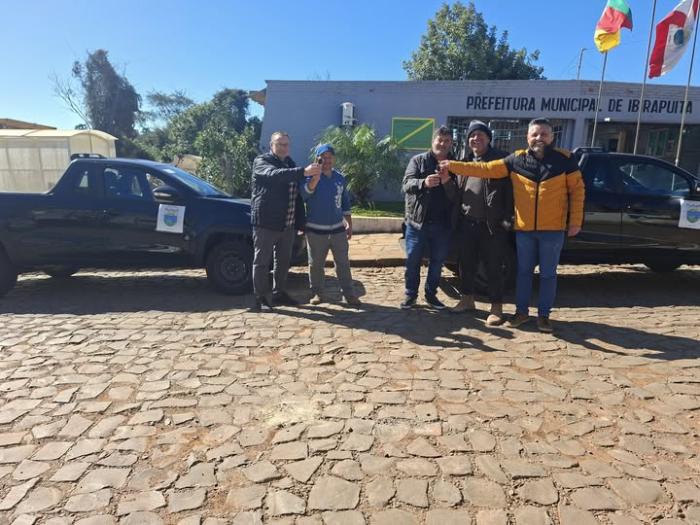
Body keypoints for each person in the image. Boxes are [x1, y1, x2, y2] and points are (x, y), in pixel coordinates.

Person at [440, 118, 585, 333]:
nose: (539, 138)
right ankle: (521, 313)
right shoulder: (516, 159)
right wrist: (452, 165)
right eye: (535, 134)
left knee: (548, 275)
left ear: (552, 137)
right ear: (527, 137)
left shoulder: (565, 160)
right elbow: (486, 169)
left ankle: (544, 316)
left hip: (552, 230)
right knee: (523, 273)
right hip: (524, 230)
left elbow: (577, 191)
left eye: (544, 134)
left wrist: (575, 222)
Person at [444, 121, 511, 326]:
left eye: (481, 135)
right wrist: (446, 181)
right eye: (472, 135)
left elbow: (511, 194)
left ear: (489, 138)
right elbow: (457, 194)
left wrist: (507, 221)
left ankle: (496, 308)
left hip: (492, 226)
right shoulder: (464, 163)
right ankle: (467, 300)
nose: (476, 138)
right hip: (467, 223)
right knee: (467, 265)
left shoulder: (500, 162)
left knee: (493, 267)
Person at [250, 131, 321, 312]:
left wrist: (300, 222)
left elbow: (297, 193)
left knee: (283, 261)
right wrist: (303, 171)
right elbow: (275, 175)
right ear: (271, 145)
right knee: (261, 262)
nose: (283, 148)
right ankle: (260, 298)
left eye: (286, 144)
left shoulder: (289, 163)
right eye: (279, 144)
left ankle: (279, 293)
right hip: (266, 222)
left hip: (288, 224)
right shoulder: (261, 161)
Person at [401, 126, 454, 310]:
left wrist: (447, 182)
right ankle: (410, 295)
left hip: (442, 225)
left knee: (437, 263)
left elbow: (457, 194)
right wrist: (423, 183)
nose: (443, 144)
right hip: (417, 224)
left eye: (447, 141)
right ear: (433, 141)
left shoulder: (455, 164)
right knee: (412, 261)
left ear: (451, 144)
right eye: (440, 140)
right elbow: (406, 185)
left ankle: (431, 295)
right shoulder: (418, 160)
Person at [301, 143, 360, 307]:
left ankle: (349, 294)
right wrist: (315, 177)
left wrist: (349, 223)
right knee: (316, 264)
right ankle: (317, 293)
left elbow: (345, 202)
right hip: (315, 230)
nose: (326, 160)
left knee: (343, 263)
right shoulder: (309, 176)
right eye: (323, 157)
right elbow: (304, 195)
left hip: (337, 230)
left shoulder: (340, 178)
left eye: (329, 157)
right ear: (317, 159)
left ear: (333, 158)